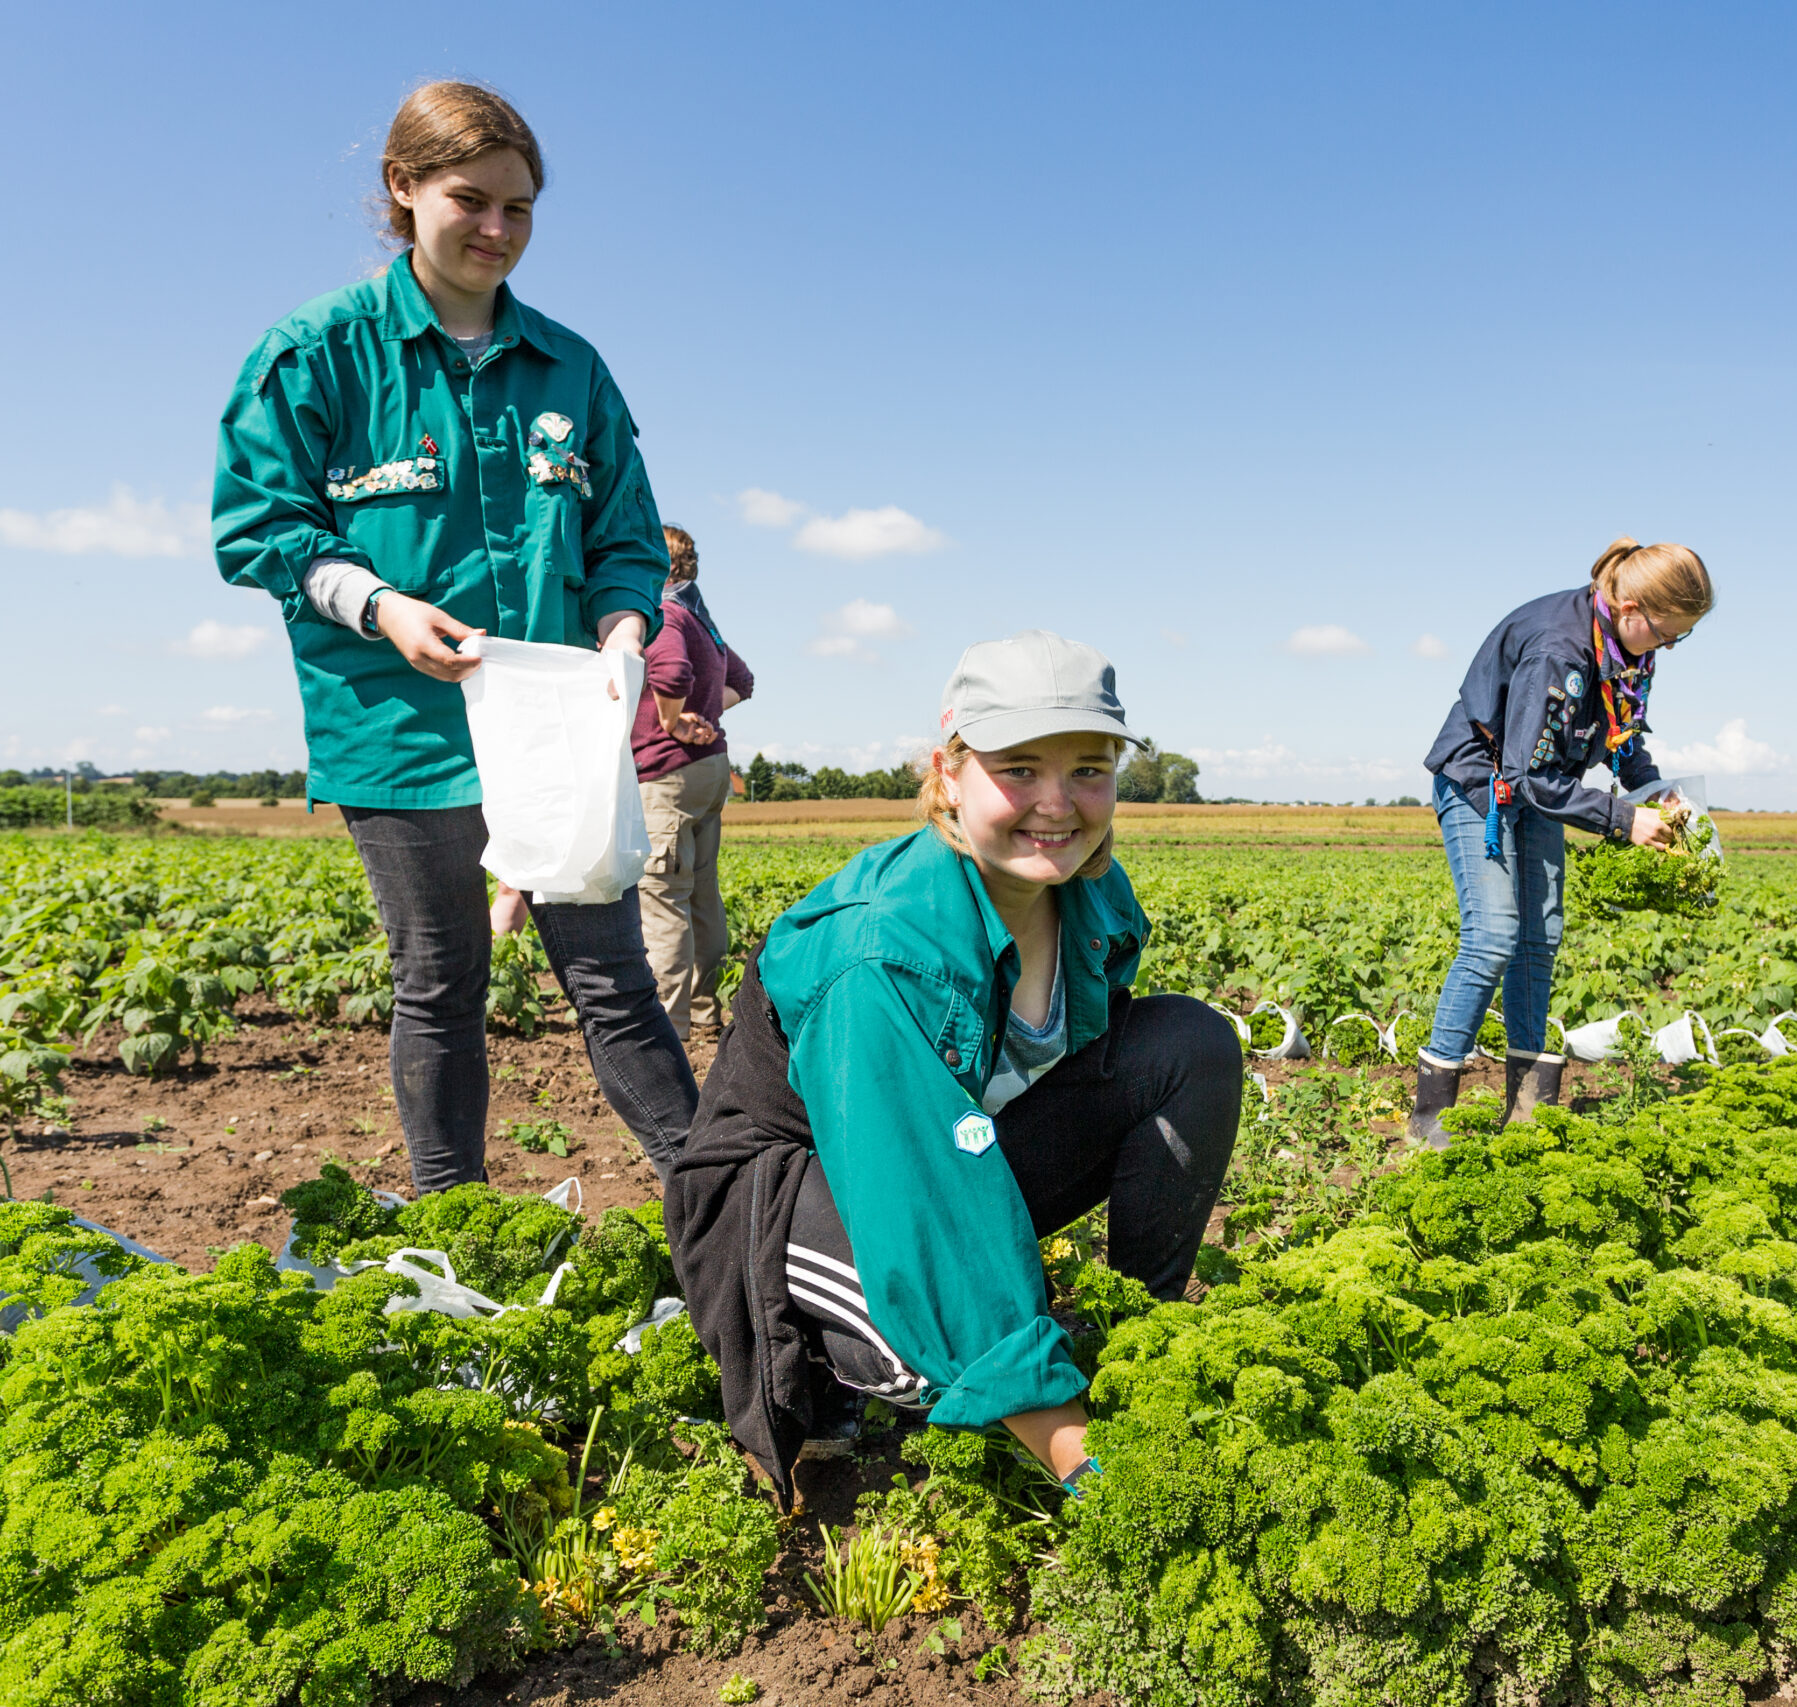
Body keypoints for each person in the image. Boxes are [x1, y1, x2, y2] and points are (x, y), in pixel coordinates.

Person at [212, 81, 698, 1192]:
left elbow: (625, 538)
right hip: (398, 724)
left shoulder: (572, 368)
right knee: (439, 980)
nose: (496, 230)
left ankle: (725, 1212)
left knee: (612, 979)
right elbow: (260, 530)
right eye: (469, 201)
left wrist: (624, 627)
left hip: (553, 730)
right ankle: (454, 1220)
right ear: (403, 190)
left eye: (520, 209)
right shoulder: (317, 353)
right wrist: (378, 606)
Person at [666, 632, 1241, 1500]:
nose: (1058, 803)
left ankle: (1127, 1338)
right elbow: (915, 1191)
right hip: (794, 1189)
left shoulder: (1091, 894)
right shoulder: (882, 951)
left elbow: (1006, 1119)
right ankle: (835, 1360)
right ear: (950, 771)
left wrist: (1129, 1385)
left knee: (1189, 1045)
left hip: (953, 1149)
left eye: (1088, 768)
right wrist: (1090, 1466)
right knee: (921, 1348)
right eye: (1018, 769)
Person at [1409, 537, 1714, 1147]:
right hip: (1483, 784)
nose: (1669, 647)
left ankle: (1525, 1106)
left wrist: (1652, 790)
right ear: (1629, 606)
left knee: (1538, 940)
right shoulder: (1559, 649)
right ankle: (1431, 1116)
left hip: (1543, 785)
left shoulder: (1627, 647)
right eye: (1667, 633)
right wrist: (1624, 821)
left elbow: (1620, 727)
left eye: (1680, 637)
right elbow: (1523, 772)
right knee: (1493, 937)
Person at [632, 524, 756, 1043]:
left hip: (666, 775)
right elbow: (743, 682)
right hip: (708, 770)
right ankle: (706, 1012)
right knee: (702, 894)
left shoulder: (664, 614)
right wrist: (702, 713)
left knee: (661, 896)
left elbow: (671, 670)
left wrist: (672, 718)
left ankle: (669, 1027)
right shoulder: (703, 621)